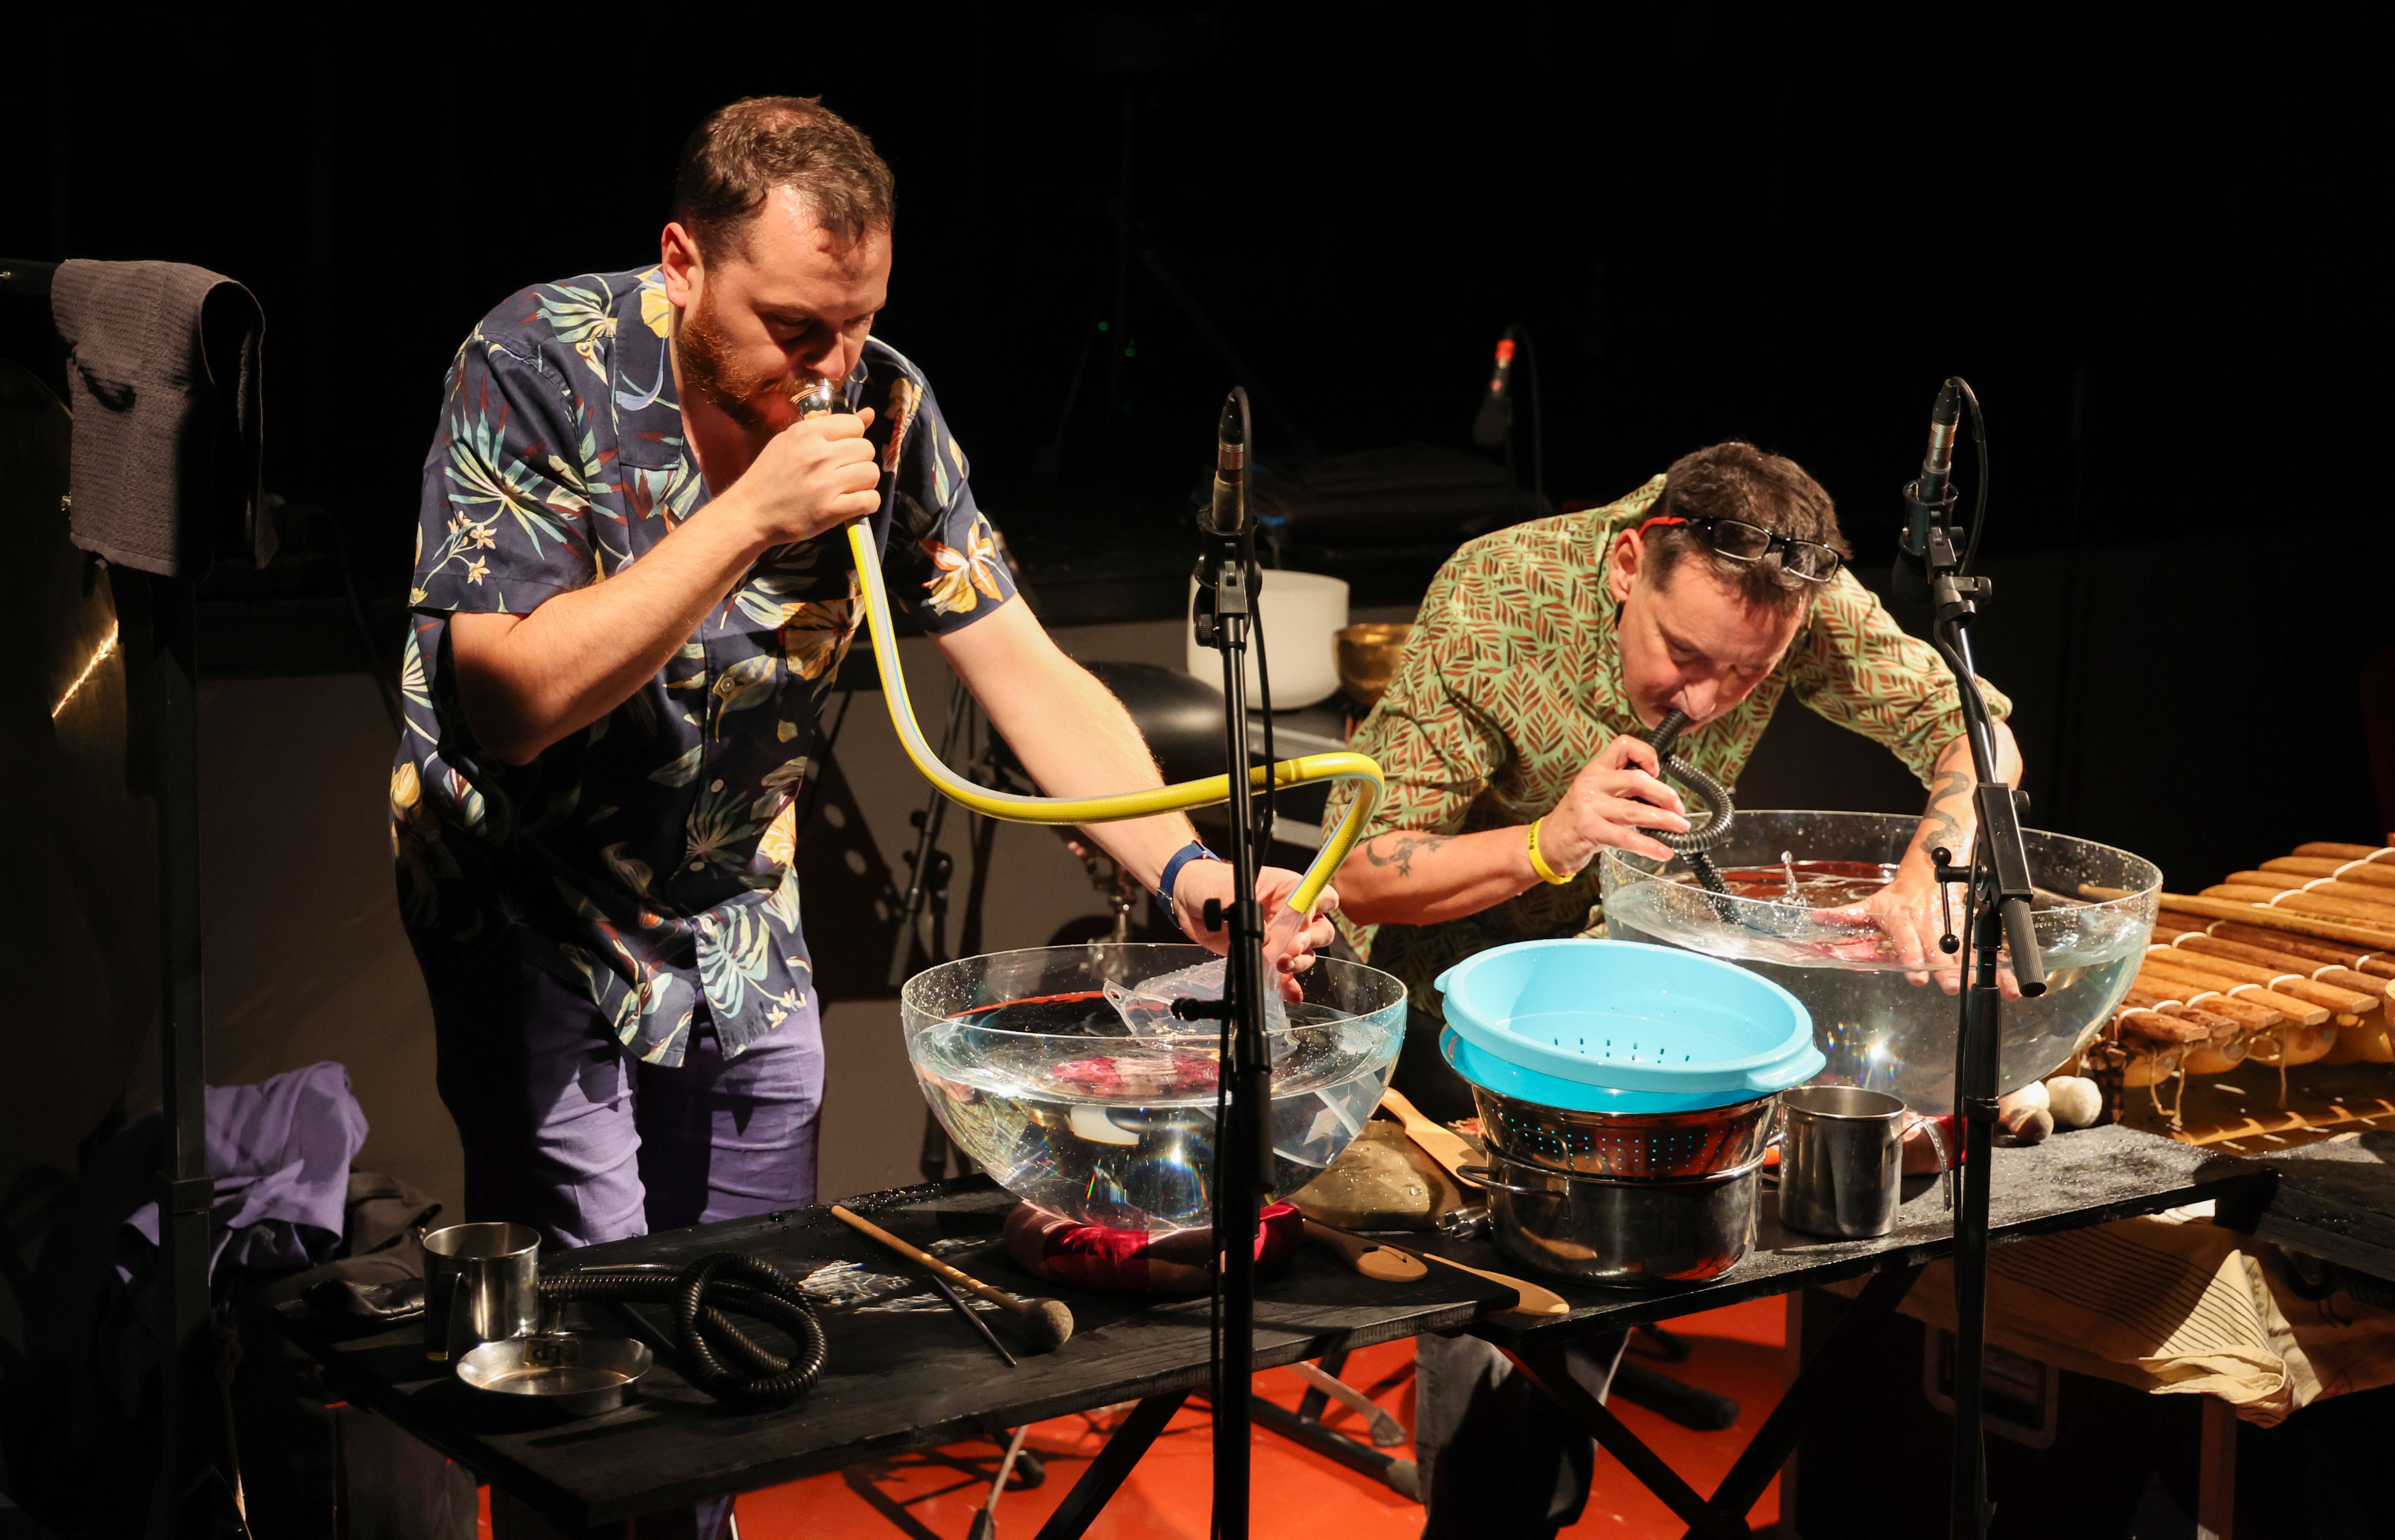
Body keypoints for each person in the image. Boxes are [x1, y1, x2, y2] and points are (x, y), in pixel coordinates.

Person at [390, 95, 1335, 1263]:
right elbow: (510, 703)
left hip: (733, 904)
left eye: (859, 323)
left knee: (754, 1283)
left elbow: (1023, 667)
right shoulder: (533, 361)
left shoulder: (885, 402)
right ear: (682, 263)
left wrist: (1192, 868)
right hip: (535, 905)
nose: (830, 370)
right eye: (793, 328)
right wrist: (749, 518)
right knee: (598, 1299)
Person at [1322, 440, 2021, 1538]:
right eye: (1686, 657)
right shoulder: (1496, 596)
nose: (1709, 698)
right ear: (1627, 567)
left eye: (1751, 674)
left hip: (1624, 991)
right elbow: (1361, 872)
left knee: (1578, 1321)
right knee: (1502, 1329)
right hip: (1450, 994)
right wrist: (1553, 841)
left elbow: (1978, 739)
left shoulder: (1804, 604)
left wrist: (1932, 865)